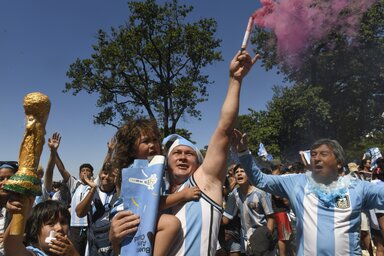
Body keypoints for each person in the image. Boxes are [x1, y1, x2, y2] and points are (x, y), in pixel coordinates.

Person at [161, 50, 258, 255]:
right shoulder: (155, 194)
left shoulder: (204, 181)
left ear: (199, 162)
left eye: (189, 154)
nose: (182, 156)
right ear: (167, 160)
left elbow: (224, 129)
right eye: (176, 153)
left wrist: (235, 81)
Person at [232, 130, 384, 255]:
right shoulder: (296, 182)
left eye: (323, 154)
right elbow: (261, 180)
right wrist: (243, 152)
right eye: (313, 154)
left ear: (339, 163)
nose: (316, 158)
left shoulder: (357, 187)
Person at [108, 118, 199, 256]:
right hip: (127, 216)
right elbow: (153, 203)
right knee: (171, 224)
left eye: (155, 140)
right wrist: (183, 195)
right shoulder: (138, 172)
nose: (152, 145)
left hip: (138, 216)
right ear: (132, 149)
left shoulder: (155, 170)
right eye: (145, 141)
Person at [47, 132, 93, 256]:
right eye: (82, 170)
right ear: (79, 174)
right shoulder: (75, 184)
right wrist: (54, 151)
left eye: (88, 170)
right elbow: (61, 169)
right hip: (75, 226)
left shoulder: (95, 185)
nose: (85, 172)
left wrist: (109, 153)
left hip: (91, 226)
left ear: (92, 174)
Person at [223, 164, 275, 255]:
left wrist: (267, 236)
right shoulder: (234, 195)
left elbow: (270, 217)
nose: (239, 174)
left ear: (249, 174)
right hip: (246, 240)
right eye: (237, 172)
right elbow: (226, 218)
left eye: (242, 171)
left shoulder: (260, 193)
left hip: (262, 239)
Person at [4, 198, 79, 256]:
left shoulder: (70, 252)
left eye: (63, 222)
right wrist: (21, 213)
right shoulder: (33, 253)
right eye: (51, 223)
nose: (59, 228)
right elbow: (12, 247)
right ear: (35, 230)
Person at [0, 163, 17, 256]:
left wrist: (21, 237)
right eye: (1, 179)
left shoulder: (24, 207)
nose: (5, 182)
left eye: (10, 178)